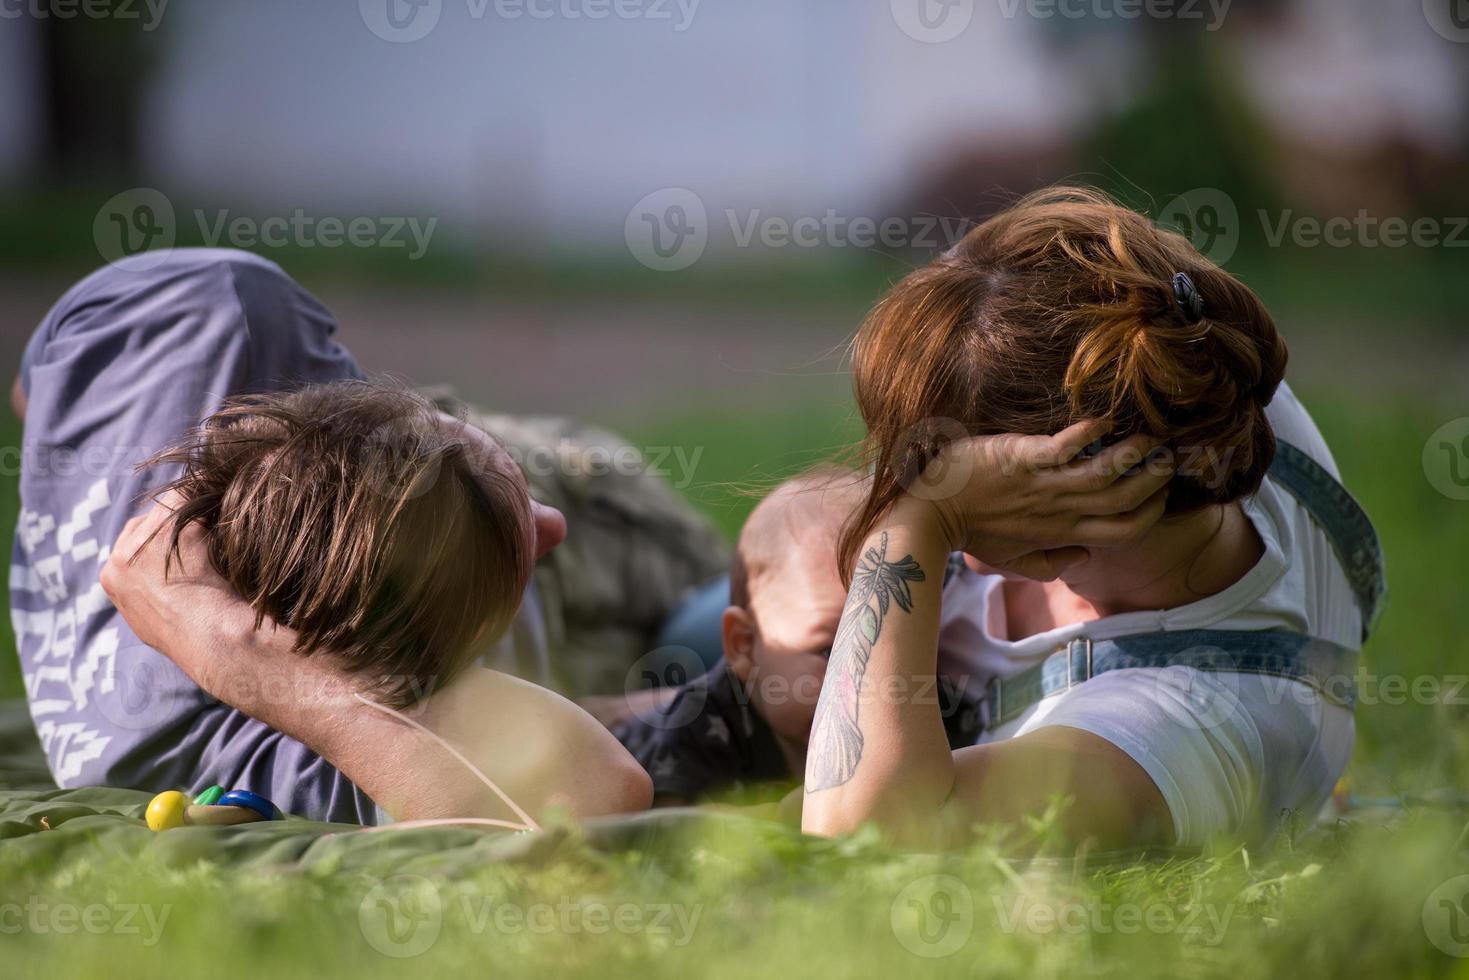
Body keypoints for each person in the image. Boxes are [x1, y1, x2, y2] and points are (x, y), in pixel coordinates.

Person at [800, 187, 1384, 850]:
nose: (905, 483)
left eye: (939, 471)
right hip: (799, 618)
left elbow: (855, 835)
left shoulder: (1192, 726)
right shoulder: (1190, 363)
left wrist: (913, 526)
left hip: (818, 694)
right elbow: (1007, 281)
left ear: (1071, 479)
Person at [13, 249, 651, 824]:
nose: (551, 528)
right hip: (584, 522)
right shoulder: (262, 753)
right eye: (517, 562)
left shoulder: (218, 310)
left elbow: (36, 388)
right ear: (421, 685)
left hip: (431, 479)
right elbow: (598, 789)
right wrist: (238, 651)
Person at [609, 470, 982, 805]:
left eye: (895, 642)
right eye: (828, 650)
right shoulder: (695, 735)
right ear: (744, 645)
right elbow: (667, 847)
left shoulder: (937, 709)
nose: (868, 683)